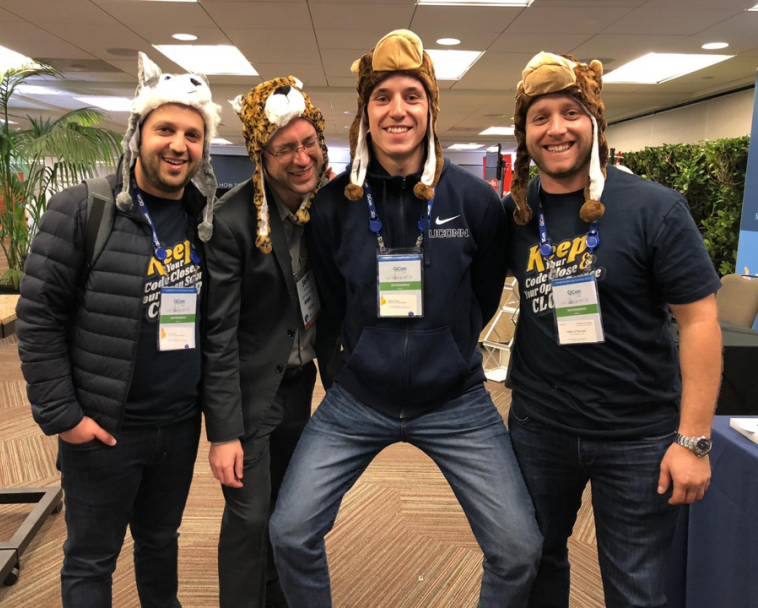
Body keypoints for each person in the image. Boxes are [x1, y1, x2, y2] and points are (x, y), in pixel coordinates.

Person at [269, 30, 543, 607]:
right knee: (289, 532)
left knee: (518, 548)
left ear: (431, 109)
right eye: (383, 97)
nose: (398, 110)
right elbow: (331, 302)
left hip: (456, 401)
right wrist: (347, 369)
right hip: (358, 399)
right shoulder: (333, 206)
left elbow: (487, 290)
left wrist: (450, 346)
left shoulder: (474, 201)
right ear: (365, 112)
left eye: (412, 96)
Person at [504, 52, 722, 608]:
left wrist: (693, 441)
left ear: (595, 121)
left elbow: (699, 322)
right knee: (533, 567)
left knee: (638, 588)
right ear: (524, 132)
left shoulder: (655, 208)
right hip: (539, 428)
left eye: (571, 112)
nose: (556, 128)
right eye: (540, 116)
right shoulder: (519, 213)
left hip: (638, 436)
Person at [15, 52, 221, 607]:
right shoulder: (82, 209)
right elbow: (38, 319)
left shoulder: (206, 220)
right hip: (104, 427)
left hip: (177, 426)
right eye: (165, 129)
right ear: (138, 133)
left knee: (160, 543)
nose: (179, 144)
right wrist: (65, 418)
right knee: (91, 559)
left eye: (192, 134)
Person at [202, 76, 338, 608]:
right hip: (250, 390)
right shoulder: (234, 221)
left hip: (301, 386)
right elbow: (216, 335)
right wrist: (224, 432)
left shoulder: (326, 207)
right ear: (262, 155)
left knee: (286, 510)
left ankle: (276, 598)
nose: (301, 158)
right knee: (249, 514)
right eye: (285, 149)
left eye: (309, 144)